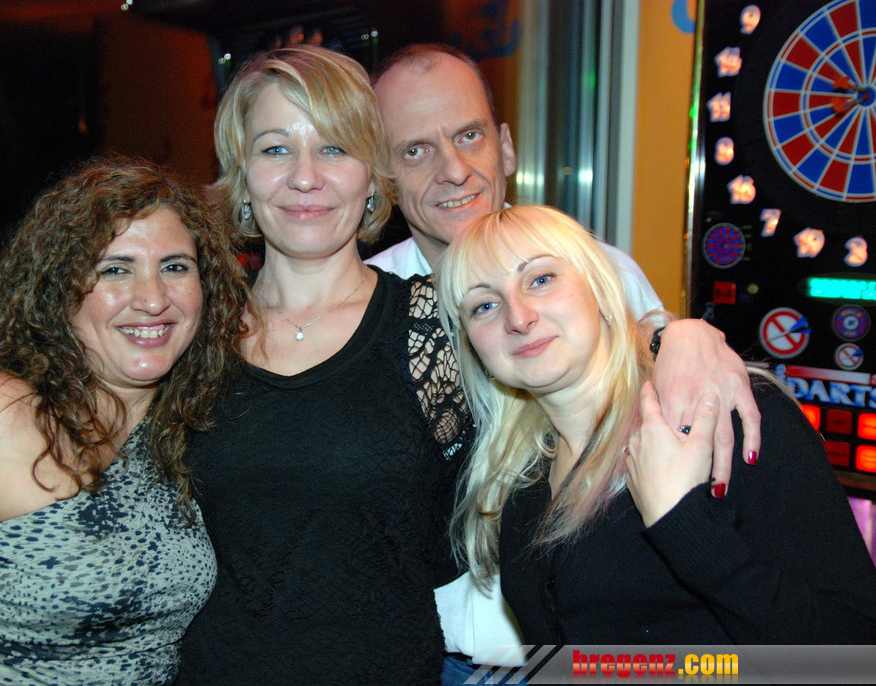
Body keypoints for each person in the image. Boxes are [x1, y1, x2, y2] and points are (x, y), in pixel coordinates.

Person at [365, 43, 762, 681]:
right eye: (415, 150)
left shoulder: (597, 274)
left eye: (469, 136)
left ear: (506, 147)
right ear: (384, 176)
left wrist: (684, 335)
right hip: (429, 662)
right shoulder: (367, 309)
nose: (454, 170)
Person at [0, 155, 248, 683]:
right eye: (115, 269)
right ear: (60, 287)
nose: (153, 298)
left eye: (175, 267)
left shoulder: (181, 424)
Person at [436, 204, 876, 644]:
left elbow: (853, 649)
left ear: (600, 287)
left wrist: (683, 523)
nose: (518, 318)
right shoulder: (520, 476)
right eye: (484, 305)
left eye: (541, 279)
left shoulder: (727, 417)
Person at [176, 44, 469, 683]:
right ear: (242, 174)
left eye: (334, 148)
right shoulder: (188, 332)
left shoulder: (436, 327)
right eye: (276, 149)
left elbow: (574, 402)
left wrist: (675, 339)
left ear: (372, 175)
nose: (305, 177)